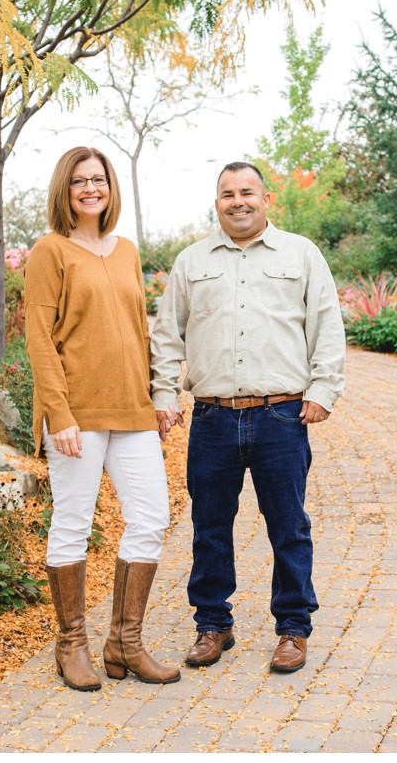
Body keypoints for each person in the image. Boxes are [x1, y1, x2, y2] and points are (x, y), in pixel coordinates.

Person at [150, 161, 345, 674]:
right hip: (212, 417)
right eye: (227, 193)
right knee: (209, 525)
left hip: (281, 415)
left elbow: (327, 324)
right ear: (216, 202)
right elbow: (168, 335)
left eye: (247, 192)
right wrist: (164, 393)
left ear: (265, 199)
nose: (238, 201)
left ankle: (293, 628)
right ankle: (213, 624)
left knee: (288, 525)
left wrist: (324, 389)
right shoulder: (191, 261)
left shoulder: (301, 254)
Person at [25, 146, 179, 690]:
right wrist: (58, 413)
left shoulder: (127, 250)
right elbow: (39, 339)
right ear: (64, 191)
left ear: (111, 188)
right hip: (77, 414)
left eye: (99, 179)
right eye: (79, 181)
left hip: (132, 409)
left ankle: (125, 643)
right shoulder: (50, 251)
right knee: (72, 524)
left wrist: (157, 396)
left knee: (151, 517)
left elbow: (140, 328)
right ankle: (71, 647)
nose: (91, 189)